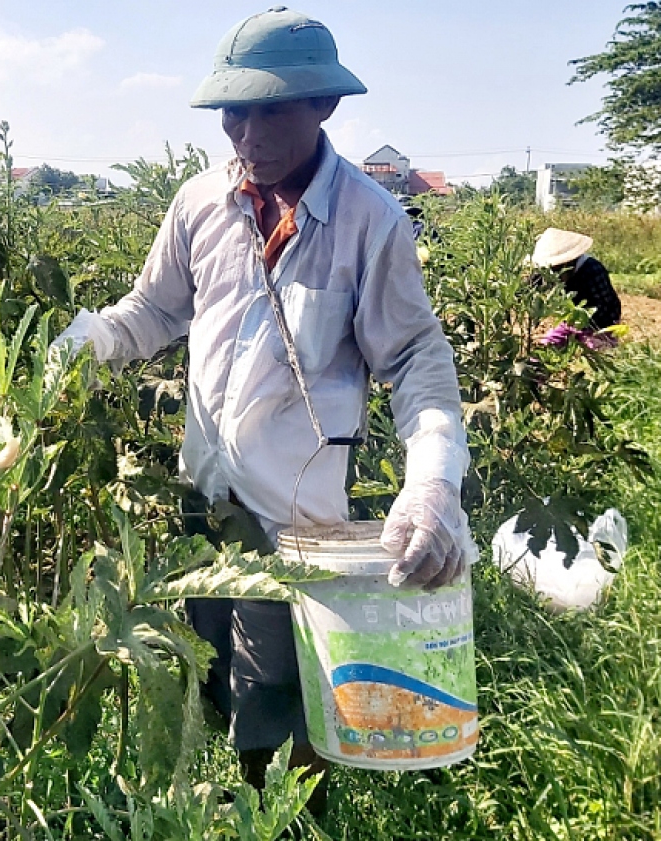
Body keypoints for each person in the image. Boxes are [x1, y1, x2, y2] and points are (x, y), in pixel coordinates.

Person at [51, 6, 477, 805]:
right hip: (203, 500)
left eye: (270, 108)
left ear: (325, 106)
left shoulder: (369, 223)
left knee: (281, 693)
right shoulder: (199, 204)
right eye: (231, 112)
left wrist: (434, 482)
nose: (246, 133)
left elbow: (416, 360)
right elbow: (155, 309)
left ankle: (288, 817)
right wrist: (90, 340)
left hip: (297, 521)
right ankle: (255, 803)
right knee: (215, 674)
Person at [530, 227, 622, 331]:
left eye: (556, 268)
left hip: (601, 323)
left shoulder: (593, 270)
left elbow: (603, 307)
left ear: (568, 262)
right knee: (550, 342)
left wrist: (579, 327)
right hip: (569, 321)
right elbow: (529, 288)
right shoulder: (546, 269)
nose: (553, 273)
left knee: (592, 345)